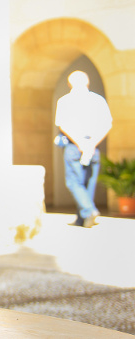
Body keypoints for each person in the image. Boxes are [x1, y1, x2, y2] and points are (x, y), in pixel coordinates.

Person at [54, 70, 113, 228]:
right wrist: (91, 143)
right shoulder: (97, 100)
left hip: (74, 146)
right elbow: (107, 123)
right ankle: (82, 219)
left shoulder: (65, 101)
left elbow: (63, 124)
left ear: (69, 83)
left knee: (74, 182)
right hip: (92, 146)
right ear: (87, 82)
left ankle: (88, 211)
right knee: (88, 183)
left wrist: (81, 143)